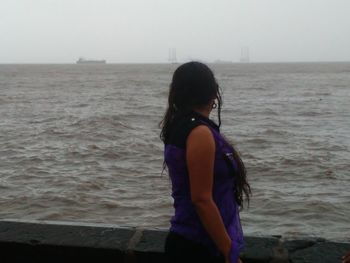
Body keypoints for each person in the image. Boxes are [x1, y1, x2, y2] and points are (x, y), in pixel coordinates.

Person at [159, 61, 251, 263]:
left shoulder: (178, 126)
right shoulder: (200, 133)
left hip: (187, 241)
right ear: (213, 93)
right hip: (200, 246)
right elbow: (201, 199)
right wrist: (229, 251)